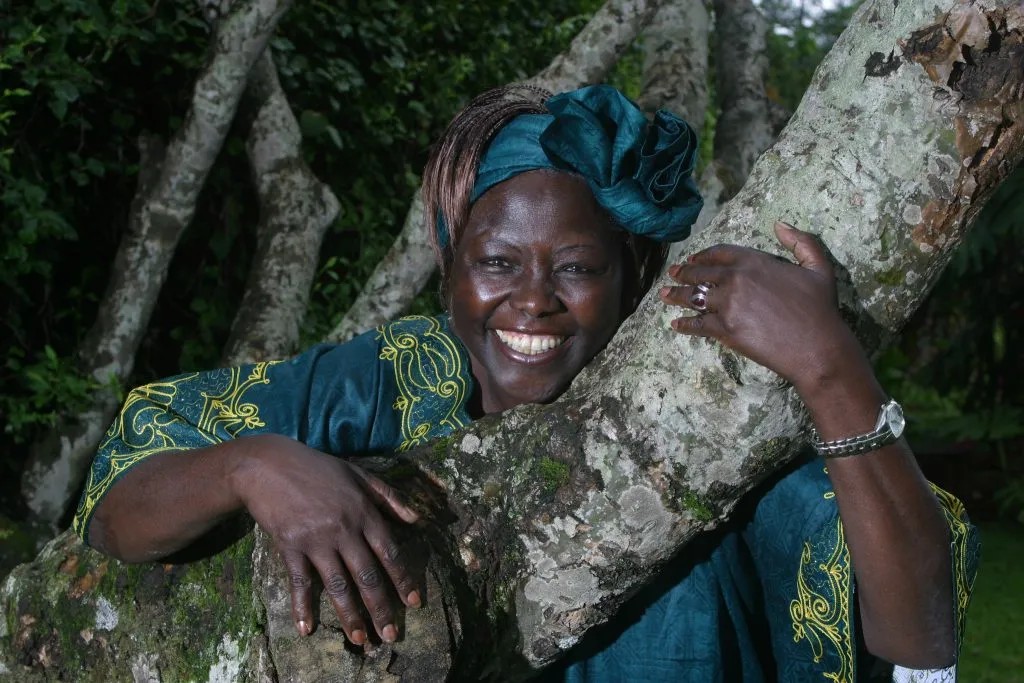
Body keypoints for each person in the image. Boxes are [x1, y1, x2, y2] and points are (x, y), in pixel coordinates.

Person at [73, 84, 977, 681]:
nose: (533, 301)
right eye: (497, 260)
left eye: (577, 268)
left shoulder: (698, 427)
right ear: (451, 264)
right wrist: (254, 464)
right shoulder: (395, 378)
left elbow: (917, 646)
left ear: (632, 273)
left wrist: (829, 367)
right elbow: (117, 511)